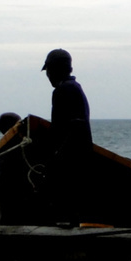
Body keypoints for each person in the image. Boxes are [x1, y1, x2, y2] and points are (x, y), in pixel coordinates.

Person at [41, 48, 92, 225]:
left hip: (72, 156)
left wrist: (58, 155)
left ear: (55, 69)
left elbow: (73, 126)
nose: (47, 75)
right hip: (78, 153)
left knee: (66, 196)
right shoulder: (74, 88)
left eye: (48, 70)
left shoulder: (64, 90)